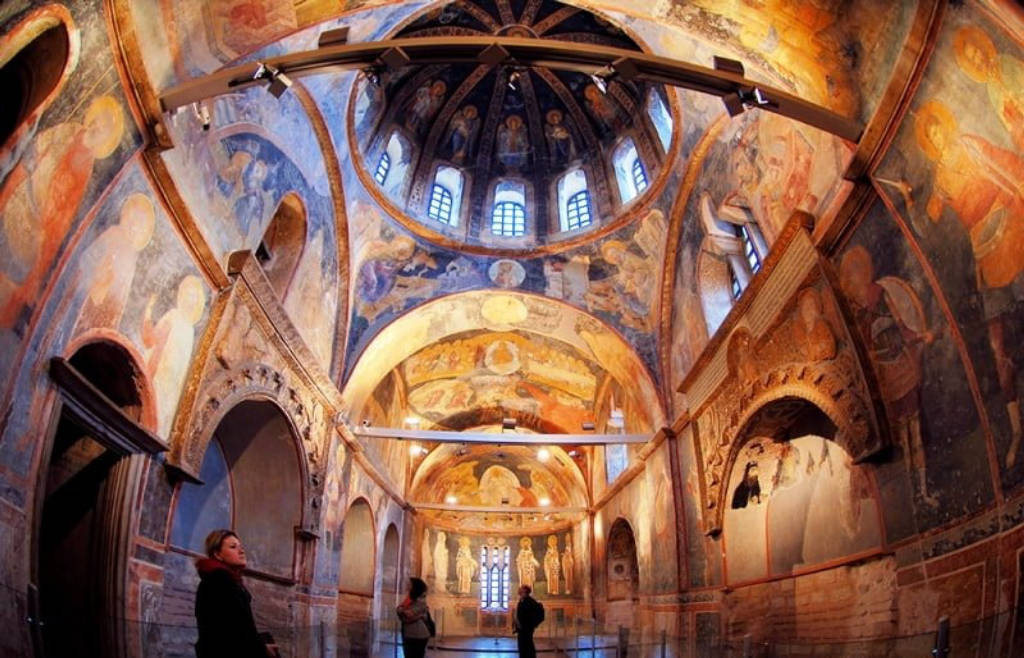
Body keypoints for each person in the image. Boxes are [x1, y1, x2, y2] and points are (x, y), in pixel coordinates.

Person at [194, 529, 277, 657]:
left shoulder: (226, 580)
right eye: (233, 547)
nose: (241, 551)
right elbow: (235, 629)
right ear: (217, 554)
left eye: (241, 547)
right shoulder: (219, 581)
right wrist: (262, 649)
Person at [397, 577, 431, 658]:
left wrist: (402, 611)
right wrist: (402, 611)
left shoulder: (421, 601)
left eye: (410, 584)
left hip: (418, 635)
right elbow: (399, 609)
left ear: (415, 587)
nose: (407, 585)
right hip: (408, 633)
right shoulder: (409, 599)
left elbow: (408, 615)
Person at [513, 584, 545, 658]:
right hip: (521, 629)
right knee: (522, 646)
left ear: (525, 591)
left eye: (521, 589)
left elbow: (538, 612)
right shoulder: (521, 600)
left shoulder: (530, 601)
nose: (519, 590)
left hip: (527, 628)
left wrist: (532, 624)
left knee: (528, 646)